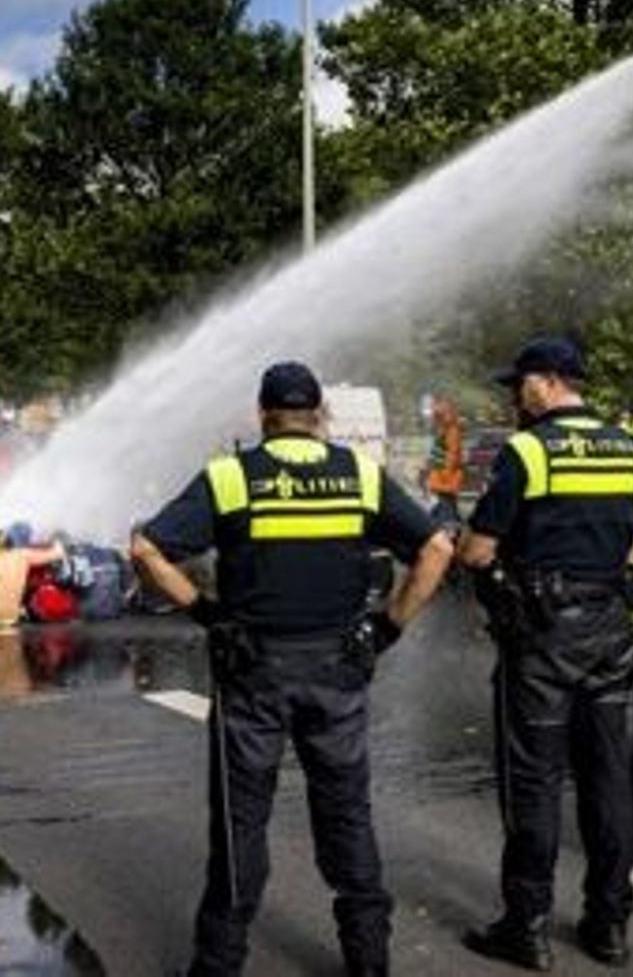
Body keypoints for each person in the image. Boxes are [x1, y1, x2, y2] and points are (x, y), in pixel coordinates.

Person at [131, 361, 453, 977]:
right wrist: (386, 626)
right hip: (339, 670)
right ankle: (368, 960)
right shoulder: (358, 474)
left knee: (240, 822)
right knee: (346, 815)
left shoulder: (231, 477)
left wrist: (206, 611)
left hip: (253, 672)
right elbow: (437, 547)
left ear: (262, 414)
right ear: (319, 416)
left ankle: (218, 965)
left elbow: (146, 548)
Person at [457, 337, 633, 971]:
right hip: (613, 629)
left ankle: (527, 926)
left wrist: (498, 586)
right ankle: (610, 923)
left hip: (543, 637)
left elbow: (478, 550)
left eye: (520, 384)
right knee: (608, 778)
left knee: (534, 782)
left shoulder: (530, 450)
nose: (514, 396)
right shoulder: (628, 448)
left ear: (547, 382)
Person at [422, 396, 466, 527]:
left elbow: (452, 455)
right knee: (448, 505)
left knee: (445, 507)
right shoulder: (445, 429)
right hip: (442, 477)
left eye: (438, 416)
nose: (435, 419)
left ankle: (448, 530)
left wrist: (445, 475)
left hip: (445, 478)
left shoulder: (452, 430)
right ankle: (453, 528)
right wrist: (427, 466)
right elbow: (440, 453)